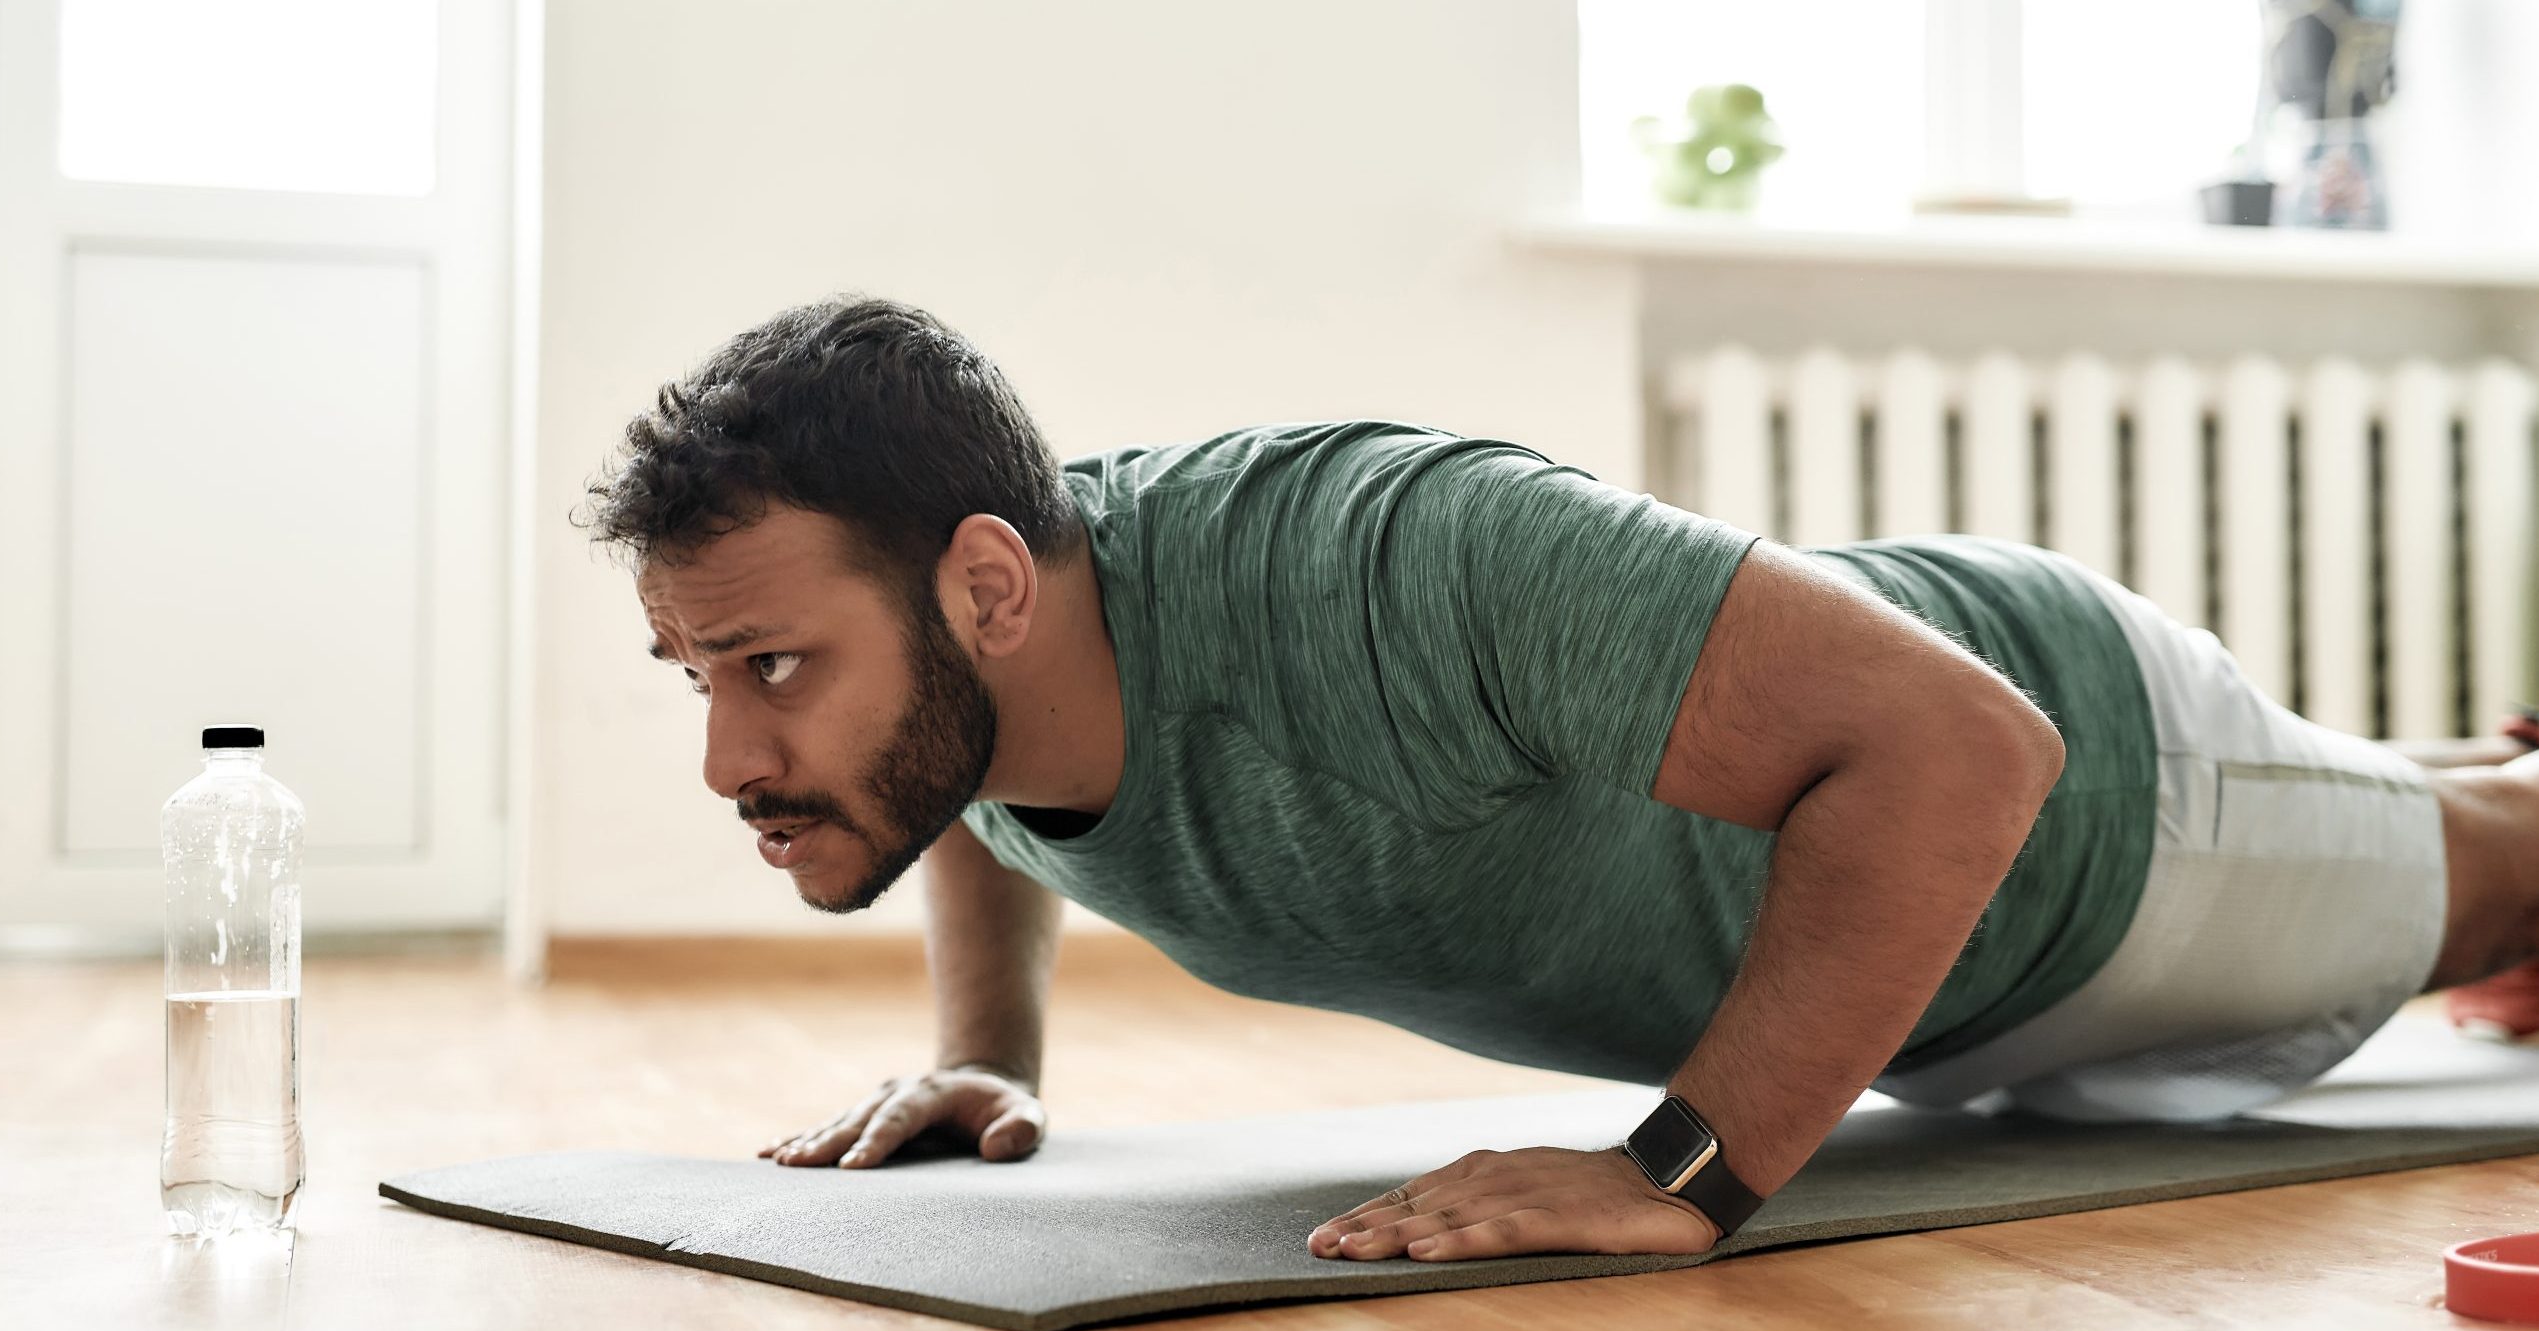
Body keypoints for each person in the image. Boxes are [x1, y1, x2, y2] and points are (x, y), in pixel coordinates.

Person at [585, 295, 2539, 1266]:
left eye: (771, 670)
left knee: (2499, 878)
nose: (730, 755)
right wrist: (994, 1050)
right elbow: (966, 781)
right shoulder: (988, 652)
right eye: (697, 673)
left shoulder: (1375, 559)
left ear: (984, 585)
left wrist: (1672, 1174)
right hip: (1926, 974)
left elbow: (1962, 750)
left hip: (2088, 809)